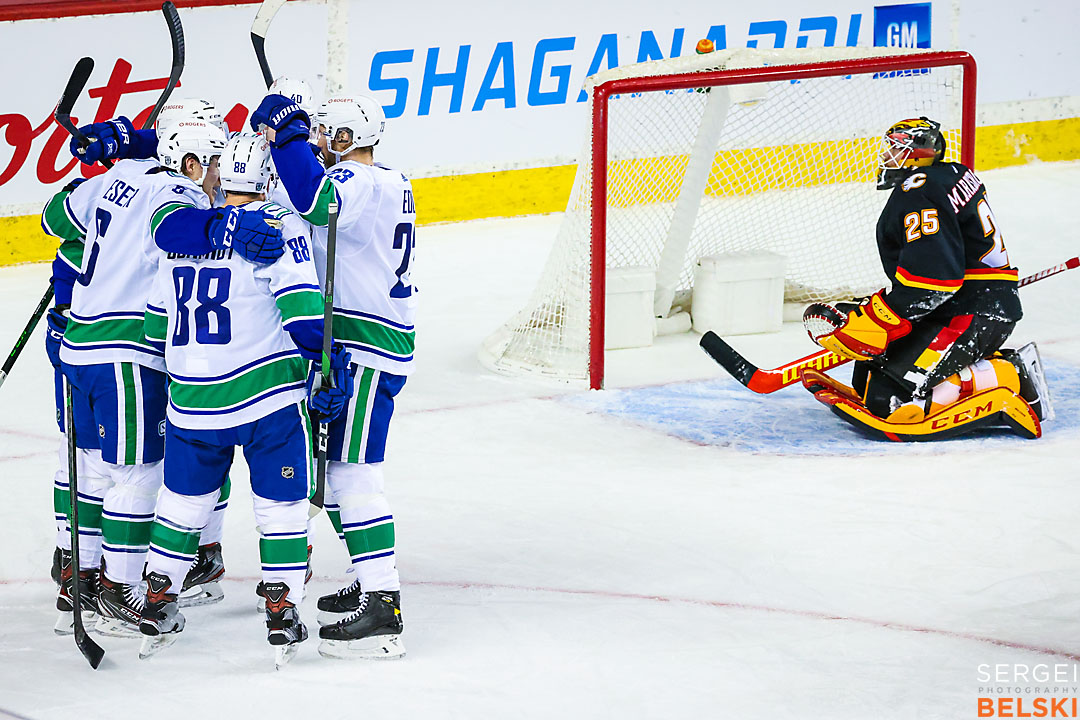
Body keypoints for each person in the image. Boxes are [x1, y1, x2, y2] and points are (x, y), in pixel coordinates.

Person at [42, 118, 285, 637]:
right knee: (139, 473)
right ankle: (119, 592)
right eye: (215, 164)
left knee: (89, 469)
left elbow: (53, 218)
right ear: (193, 163)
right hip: (124, 351)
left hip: (78, 346)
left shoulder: (112, 178)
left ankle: (79, 577)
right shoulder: (178, 190)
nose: (221, 178)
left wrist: (121, 150)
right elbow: (172, 229)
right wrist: (225, 227)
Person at [138, 133, 355, 667]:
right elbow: (307, 323)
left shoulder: (188, 232)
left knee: (183, 503)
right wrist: (334, 361)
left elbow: (151, 330)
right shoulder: (276, 231)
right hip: (265, 402)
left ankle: (160, 592)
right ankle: (281, 606)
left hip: (190, 401)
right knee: (280, 506)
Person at [250, 90, 415, 659]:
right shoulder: (385, 181)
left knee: (351, 475)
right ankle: (366, 579)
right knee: (337, 474)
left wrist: (288, 132)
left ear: (344, 140)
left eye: (325, 135)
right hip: (364, 341)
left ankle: (383, 605)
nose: (320, 144)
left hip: (367, 348)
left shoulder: (358, 182)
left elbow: (314, 199)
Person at [807, 117, 1049, 441]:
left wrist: (881, 317)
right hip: (971, 303)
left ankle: (1009, 373)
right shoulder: (952, 173)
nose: (888, 155)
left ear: (918, 152)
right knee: (866, 377)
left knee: (889, 401)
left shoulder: (917, 190)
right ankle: (981, 365)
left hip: (972, 314)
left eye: (897, 147)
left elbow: (933, 280)